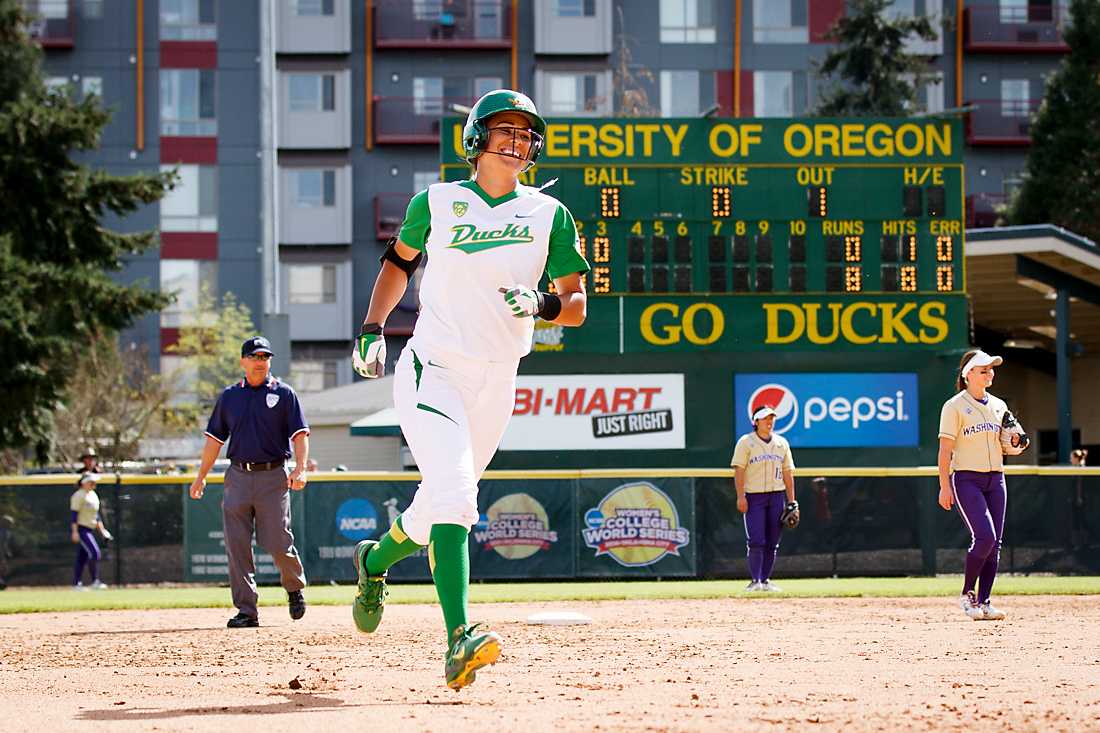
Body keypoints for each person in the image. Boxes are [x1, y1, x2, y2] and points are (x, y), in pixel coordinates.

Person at [349, 89, 589, 690]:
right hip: (435, 367)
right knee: (456, 494)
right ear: (476, 139)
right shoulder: (437, 201)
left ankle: (374, 561)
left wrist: (543, 302)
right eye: (504, 130)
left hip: (498, 378)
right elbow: (399, 264)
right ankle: (459, 641)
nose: (516, 141)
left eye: (525, 133)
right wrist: (372, 328)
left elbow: (578, 304)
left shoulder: (548, 214)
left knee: (436, 509)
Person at [188, 336, 311, 628]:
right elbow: (214, 440)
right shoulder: (230, 397)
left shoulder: (284, 394)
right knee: (237, 545)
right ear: (243, 361)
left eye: (265, 357)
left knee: (278, 541)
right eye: (254, 357)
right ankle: (247, 610)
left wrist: (301, 468)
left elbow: (300, 435)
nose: (260, 362)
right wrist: (201, 476)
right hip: (238, 477)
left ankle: (294, 587)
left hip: (273, 476)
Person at [937, 349, 1029, 621]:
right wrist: (945, 485)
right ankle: (968, 596)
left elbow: (1012, 442)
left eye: (991, 369)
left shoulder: (999, 405)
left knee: (995, 543)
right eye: (983, 369)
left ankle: (985, 602)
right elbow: (944, 451)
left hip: (996, 478)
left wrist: (1017, 443)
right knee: (985, 538)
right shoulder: (954, 406)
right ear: (968, 375)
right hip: (967, 478)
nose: (990, 373)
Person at [731, 406, 797, 592]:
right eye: (765, 418)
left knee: (773, 541)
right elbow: (739, 471)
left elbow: (787, 473)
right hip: (754, 496)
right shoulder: (746, 442)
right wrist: (741, 496)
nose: (769, 422)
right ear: (756, 422)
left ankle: (766, 581)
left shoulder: (781, 443)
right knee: (756, 540)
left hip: (776, 496)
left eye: (771, 418)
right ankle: (755, 581)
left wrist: (792, 501)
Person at [70, 473, 113, 590]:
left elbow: (96, 516)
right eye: (91, 482)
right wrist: (75, 532)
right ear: (84, 482)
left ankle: (76, 583)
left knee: (82, 557)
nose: (94, 484)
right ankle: (95, 581)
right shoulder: (78, 495)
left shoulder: (93, 495)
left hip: (91, 528)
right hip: (82, 529)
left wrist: (102, 530)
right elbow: (74, 516)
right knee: (95, 553)